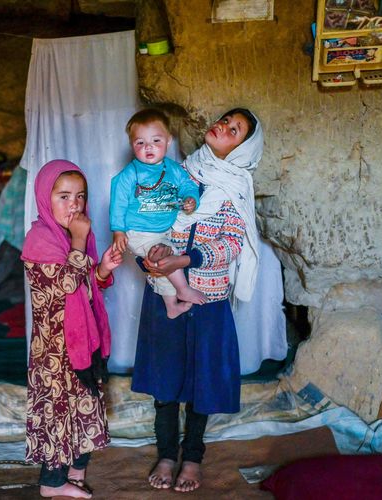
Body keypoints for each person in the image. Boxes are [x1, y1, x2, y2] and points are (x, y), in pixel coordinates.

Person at [131, 108, 264, 493]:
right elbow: (147, 220)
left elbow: (231, 244)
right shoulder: (176, 173)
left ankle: (192, 457)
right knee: (165, 378)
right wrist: (148, 260)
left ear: (242, 148)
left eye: (233, 129)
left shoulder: (237, 188)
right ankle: (167, 454)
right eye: (225, 120)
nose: (222, 126)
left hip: (207, 297)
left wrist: (187, 259)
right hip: (163, 290)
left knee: (202, 379)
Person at [21, 159, 123, 499]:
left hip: (81, 345)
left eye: (80, 196)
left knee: (86, 406)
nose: (74, 205)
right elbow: (64, 289)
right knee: (58, 414)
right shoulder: (40, 241)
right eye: (63, 196)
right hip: (55, 353)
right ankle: (52, 484)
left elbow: (86, 287)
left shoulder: (77, 237)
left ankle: (76, 473)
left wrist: (104, 269)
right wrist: (79, 243)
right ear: (45, 199)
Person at [110, 108, 206, 319]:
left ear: (168, 141)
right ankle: (183, 290)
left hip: (162, 231)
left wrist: (192, 199)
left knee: (161, 265)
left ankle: (171, 305)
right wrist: (118, 231)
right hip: (138, 231)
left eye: (156, 140)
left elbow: (188, 187)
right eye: (140, 143)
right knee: (165, 255)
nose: (148, 147)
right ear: (132, 145)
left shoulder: (173, 169)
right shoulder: (130, 174)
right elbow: (118, 203)